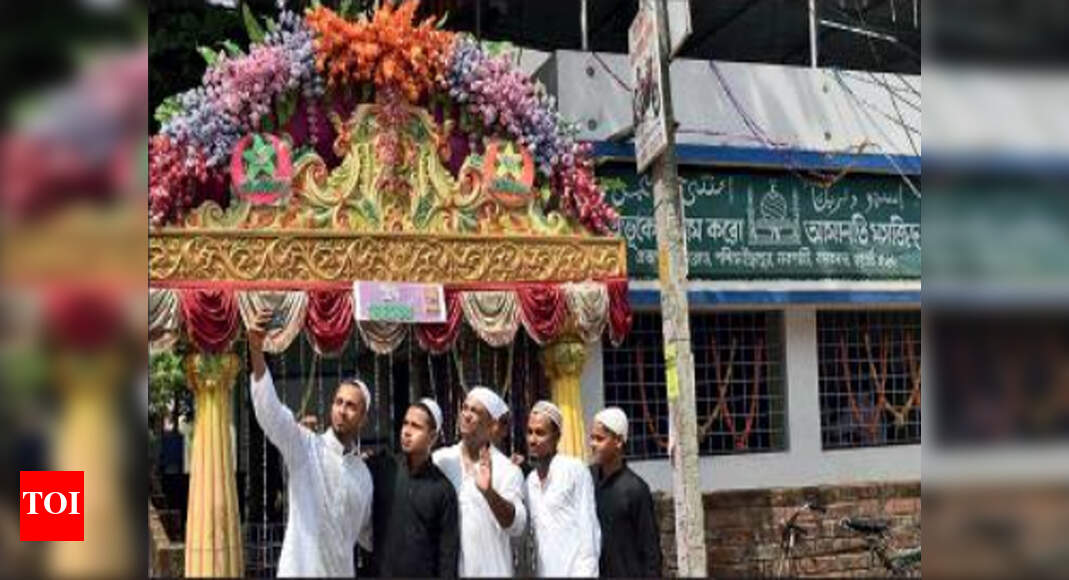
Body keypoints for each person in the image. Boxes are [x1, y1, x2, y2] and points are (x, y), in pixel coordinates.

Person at [246, 309, 373, 577]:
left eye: (351, 406)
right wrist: (256, 353)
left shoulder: (363, 476)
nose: (342, 410)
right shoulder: (306, 447)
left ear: (363, 419)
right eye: (338, 402)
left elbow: (368, 534)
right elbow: (272, 414)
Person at [433, 386, 527, 577]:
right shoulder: (441, 460)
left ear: (492, 424)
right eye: (465, 408)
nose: (466, 415)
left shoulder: (507, 470)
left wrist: (489, 493)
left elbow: (516, 525)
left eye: (475, 412)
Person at [364, 398, 459, 578]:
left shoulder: (443, 490)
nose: (407, 431)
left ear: (433, 436)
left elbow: (447, 557)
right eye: (406, 424)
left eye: (416, 426)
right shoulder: (383, 468)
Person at [525, 400, 601, 577]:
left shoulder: (575, 470)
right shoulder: (530, 482)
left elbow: (589, 533)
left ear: (557, 436)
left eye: (540, 433)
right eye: (529, 432)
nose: (532, 440)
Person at [589, 407, 662, 578]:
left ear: (619, 441)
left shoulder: (635, 489)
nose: (593, 444)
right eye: (592, 438)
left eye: (600, 439)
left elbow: (651, 550)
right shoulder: (587, 480)